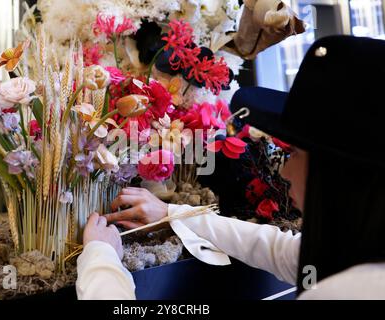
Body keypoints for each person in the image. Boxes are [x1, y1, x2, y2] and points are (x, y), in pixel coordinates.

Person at [76, 35, 385, 300]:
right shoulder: (354, 256)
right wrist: (171, 215)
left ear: (339, 176)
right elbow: (283, 251)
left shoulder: (348, 290)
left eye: (296, 154)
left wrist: (100, 260)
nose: (286, 172)